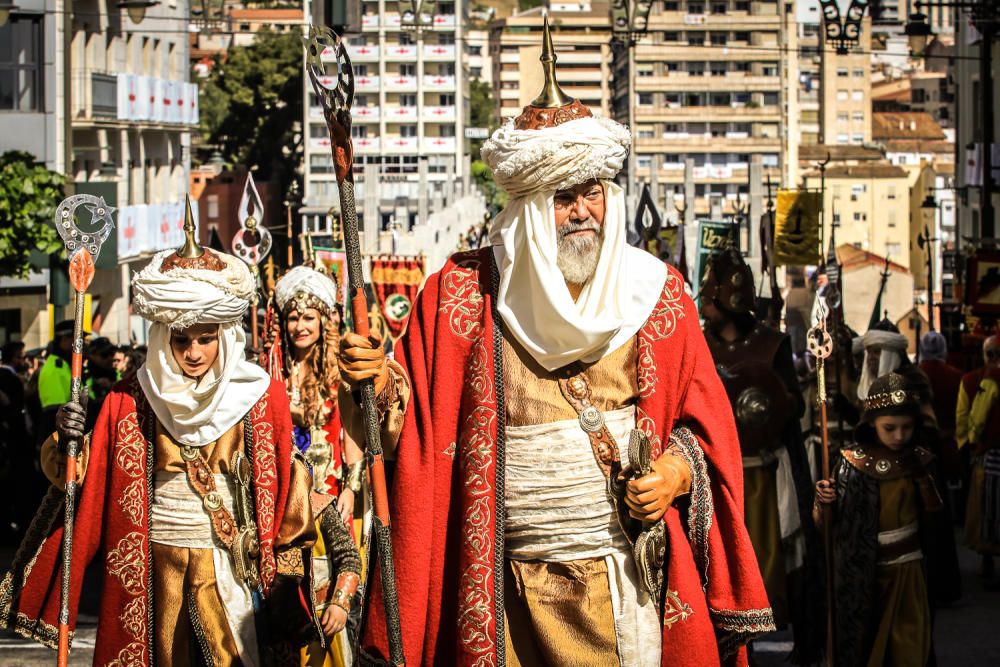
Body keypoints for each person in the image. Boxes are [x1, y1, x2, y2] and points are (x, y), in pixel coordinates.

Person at [342, 23, 772, 667]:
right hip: (502, 585)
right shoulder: (460, 294)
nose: (582, 211)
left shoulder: (660, 294)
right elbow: (415, 428)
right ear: (525, 204)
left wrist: (673, 474)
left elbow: (705, 431)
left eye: (592, 192)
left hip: (626, 579)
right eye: (562, 196)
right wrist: (376, 380)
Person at [0, 220, 320, 665]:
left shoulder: (261, 398)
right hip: (154, 570)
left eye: (205, 339)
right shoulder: (128, 398)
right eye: (181, 339)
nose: (193, 353)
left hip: (231, 571)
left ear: (224, 337)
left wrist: (287, 578)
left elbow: (289, 492)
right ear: (161, 336)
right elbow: (85, 485)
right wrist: (67, 440)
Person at [699, 247, 824, 662]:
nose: (703, 304)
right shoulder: (699, 344)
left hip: (766, 479)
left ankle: (798, 645)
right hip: (716, 480)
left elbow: (792, 411)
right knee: (722, 574)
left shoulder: (772, 345)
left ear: (727, 300)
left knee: (775, 568)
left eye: (709, 296)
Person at [815, 372, 949, 666]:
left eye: (906, 428)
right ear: (872, 423)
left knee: (909, 645)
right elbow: (833, 525)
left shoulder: (921, 462)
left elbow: (936, 522)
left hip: (909, 572)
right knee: (869, 645)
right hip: (865, 575)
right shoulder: (852, 463)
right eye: (890, 428)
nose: (899, 436)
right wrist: (824, 503)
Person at [267, 264, 364, 666]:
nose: (300, 326)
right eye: (293, 317)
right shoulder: (270, 370)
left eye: (308, 317)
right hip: (285, 498)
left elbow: (352, 433)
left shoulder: (338, 371)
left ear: (323, 321)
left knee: (332, 584)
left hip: (329, 500)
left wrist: (350, 488)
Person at [956, 335, 1000, 587]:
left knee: (987, 506)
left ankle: (987, 557)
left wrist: (969, 443)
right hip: (988, 453)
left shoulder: (979, 381)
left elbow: (970, 417)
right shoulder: (972, 381)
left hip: (988, 454)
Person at [34, 320, 75, 444]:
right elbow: (55, 414)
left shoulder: (65, 364)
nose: (81, 343)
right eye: (77, 338)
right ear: (64, 339)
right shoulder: (55, 367)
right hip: (59, 441)